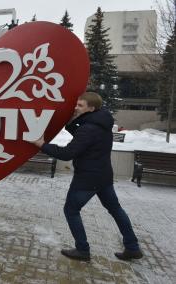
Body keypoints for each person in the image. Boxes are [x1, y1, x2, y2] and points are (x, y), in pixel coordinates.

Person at [31, 92, 143, 261]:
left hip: (87, 178)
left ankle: (82, 250)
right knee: (115, 210)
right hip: (103, 176)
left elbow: (68, 153)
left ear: (91, 108)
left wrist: (42, 144)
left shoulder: (89, 128)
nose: (75, 107)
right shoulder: (101, 122)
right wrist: (71, 121)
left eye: (80, 105)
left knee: (71, 210)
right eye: (76, 104)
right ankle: (132, 247)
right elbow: (81, 136)